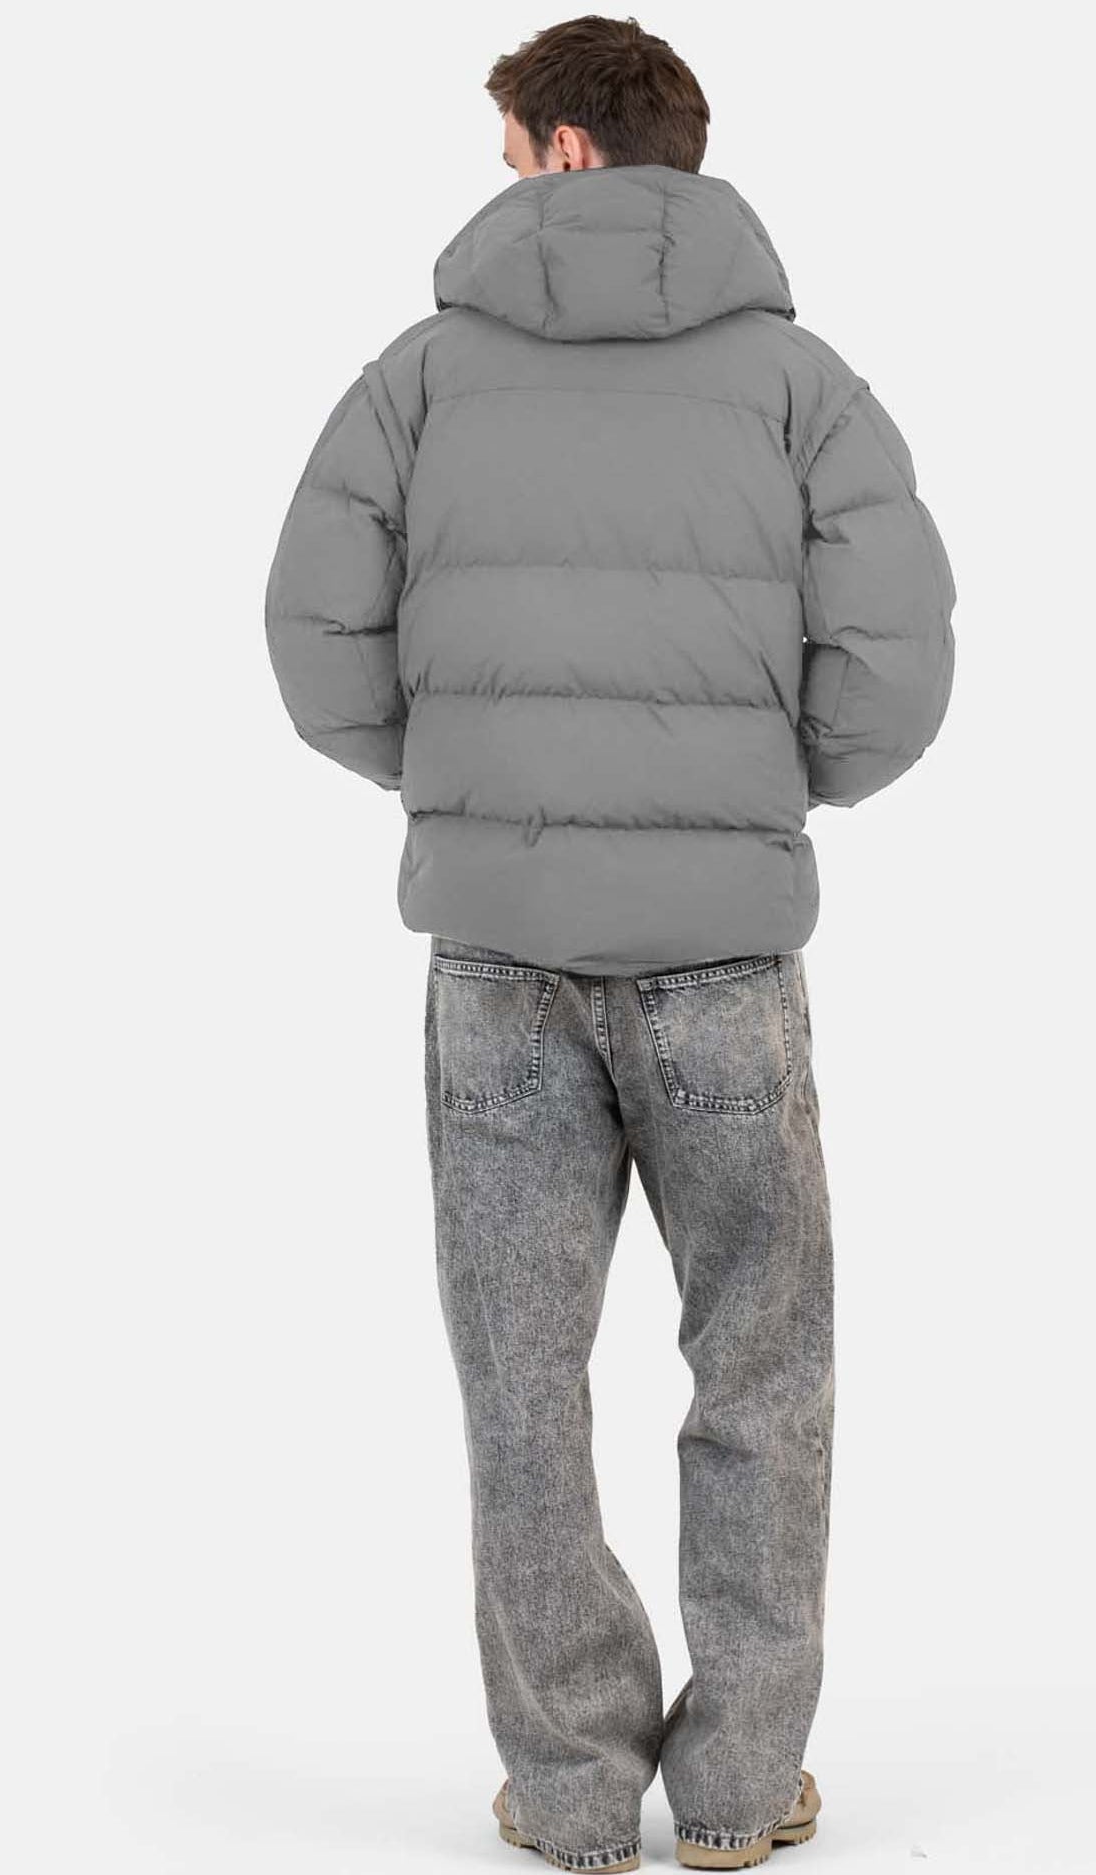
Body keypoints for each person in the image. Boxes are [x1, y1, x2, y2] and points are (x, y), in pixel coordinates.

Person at [265, 16, 955, 1870]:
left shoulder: (416, 377)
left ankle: (573, 1795)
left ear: (569, 149)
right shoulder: (805, 385)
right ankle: (734, 1791)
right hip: (726, 958)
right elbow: (895, 678)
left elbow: (314, 644)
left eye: (506, 149)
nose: (497, 182)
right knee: (766, 1364)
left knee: (519, 1379)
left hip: (494, 958)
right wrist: (751, 796)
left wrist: (475, 784)